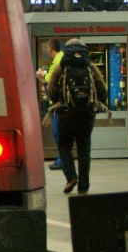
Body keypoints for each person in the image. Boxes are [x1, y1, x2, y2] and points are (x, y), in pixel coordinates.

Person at [46, 38, 109, 195]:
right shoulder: (91, 67)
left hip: (66, 114)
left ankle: (71, 177)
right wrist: (94, 104)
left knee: (64, 145)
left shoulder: (60, 68)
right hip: (86, 115)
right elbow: (102, 89)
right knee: (84, 149)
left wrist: (59, 102)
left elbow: (51, 88)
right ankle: (84, 186)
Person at [35, 38, 64, 170]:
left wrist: (42, 75)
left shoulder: (58, 60)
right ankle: (62, 159)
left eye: (47, 47)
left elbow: (53, 78)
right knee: (58, 133)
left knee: (58, 133)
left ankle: (62, 160)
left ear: (50, 48)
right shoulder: (60, 59)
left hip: (59, 104)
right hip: (58, 103)